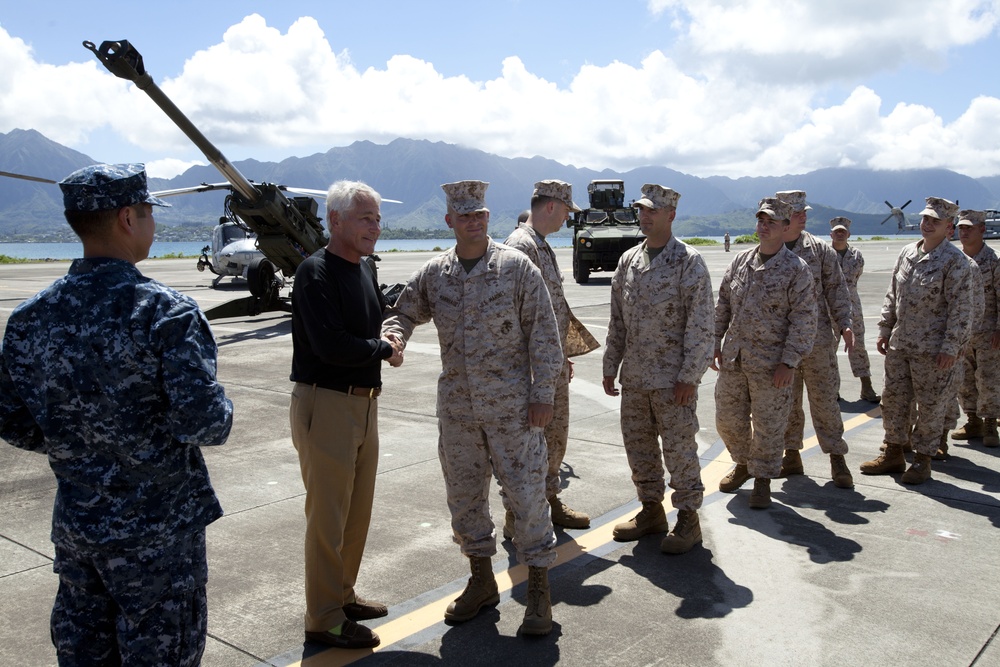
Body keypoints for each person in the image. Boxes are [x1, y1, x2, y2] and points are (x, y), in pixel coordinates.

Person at [0, 163, 233, 665]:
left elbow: (13, 421)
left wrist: (78, 442)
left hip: (80, 531)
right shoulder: (164, 313)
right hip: (158, 539)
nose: (152, 222)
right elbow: (205, 423)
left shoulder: (28, 318)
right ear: (128, 218)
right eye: (148, 211)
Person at [382, 180, 563, 636]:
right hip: (458, 413)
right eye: (465, 216)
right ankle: (481, 581)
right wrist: (394, 335)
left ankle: (539, 591)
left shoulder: (516, 268)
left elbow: (545, 334)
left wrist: (544, 395)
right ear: (449, 221)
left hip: (514, 412)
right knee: (464, 501)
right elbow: (403, 311)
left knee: (526, 498)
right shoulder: (435, 273)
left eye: (480, 214)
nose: (475, 222)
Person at [289, 180, 403, 650]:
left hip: (363, 403)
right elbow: (331, 345)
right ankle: (323, 617)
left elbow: (374, 320)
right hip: (327, 401)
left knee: (356, 512)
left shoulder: (363, 268)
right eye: (365, 218)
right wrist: (383, 348)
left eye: (376, 218)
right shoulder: (314, 273)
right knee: (327, 517)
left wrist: (393, 329)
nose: (375, 226)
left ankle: (342, 595)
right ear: (335, 221)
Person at [602, 184, 714, 553]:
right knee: (640, 448)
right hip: (635, 378)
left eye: (653, 210)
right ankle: (651, 510)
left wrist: (689, 376)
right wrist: (609, 364)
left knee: (680, 449)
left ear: (671, 215)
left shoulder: (688, 262)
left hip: (671, 381)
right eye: (641, 210)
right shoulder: (629, 261)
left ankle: (688, 519)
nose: (645, 217)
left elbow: (701, 325)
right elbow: (618, 319)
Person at [502, 179, 598, 537]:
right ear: (552, 206)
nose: (566, 221)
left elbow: (550, 309)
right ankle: (517, 515)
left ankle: (550, 500)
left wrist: (561, 355)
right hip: (532, 372)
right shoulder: (520, 248)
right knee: (528, 446)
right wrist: (540, 368)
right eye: (566, 213)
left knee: (554, 440)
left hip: (550, 364)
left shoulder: (541, 246)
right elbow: (517, 319)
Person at [860, 197, 974, 484]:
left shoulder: (956, 262)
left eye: (935, 220)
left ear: (949, 226)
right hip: (902, 344)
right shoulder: (907, 252)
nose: (927, 224)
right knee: (894, 400)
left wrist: (951, 347)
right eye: (925, 218)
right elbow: (893, 294)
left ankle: (923, 459)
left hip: (934, 350)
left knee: (932, 405)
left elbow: (962, 309)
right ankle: (894, 452)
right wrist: (885, 329)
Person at [713, 197, 817, 509]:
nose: (764, 225)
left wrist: (790, 362)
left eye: (772, 221)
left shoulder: (796, 270)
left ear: (786, 227)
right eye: (761, 219)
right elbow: (722, 305)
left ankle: (762, 479)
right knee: (727, 420)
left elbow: (805, 319)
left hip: (772, 365)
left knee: (770, 426)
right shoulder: (741, 261)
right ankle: (743, 463)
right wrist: (713, 344)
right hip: (735, 359)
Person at [774, 190, 855, 489]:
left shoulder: (820, 250)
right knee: (787, 402)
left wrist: (845, 324)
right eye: (796, 212)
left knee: (825, 401)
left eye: (803, 211)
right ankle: (791, 455)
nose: (803, 216)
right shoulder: (770, 247)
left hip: (817, 341)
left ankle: (837, 458)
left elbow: (837, 290)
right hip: (780, 343)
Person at [952, 209, 1000, 448]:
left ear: (982, 229)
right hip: (961, 332)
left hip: (988, 331)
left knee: (989, 378)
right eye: (961, 227)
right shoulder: (956, 260)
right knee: (964, 378)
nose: (964, 231)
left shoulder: (993, 261)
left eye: (969, 227)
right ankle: (973, 420)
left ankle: (990, 422)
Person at [829, 216, 881, 403]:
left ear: (849, 234)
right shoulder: (825, 254)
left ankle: (866, 387)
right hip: (830, 307)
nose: (840, 234)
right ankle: (831, 390)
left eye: (843, 231)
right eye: (837, 231)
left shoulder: (856, 255)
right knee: (829, 349)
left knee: (858, 347)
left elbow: (856, 277)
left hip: (852, 307)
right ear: (831, 234)